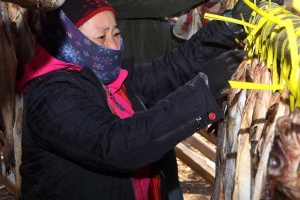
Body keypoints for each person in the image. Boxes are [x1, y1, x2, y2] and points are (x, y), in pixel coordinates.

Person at [15, 0, 278, 199]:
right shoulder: (50, 93)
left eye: (116, 33)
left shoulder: (110, 81)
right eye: (100, 37)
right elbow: (116, 145)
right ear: (69, 43)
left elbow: (173, 67)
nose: (112, 46)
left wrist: (229, 26)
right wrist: (203, 90)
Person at [108, 0, 205, 64]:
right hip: (128, 87)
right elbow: (159, 5)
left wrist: (176, 37)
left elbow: (155, 53)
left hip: (151, 83)